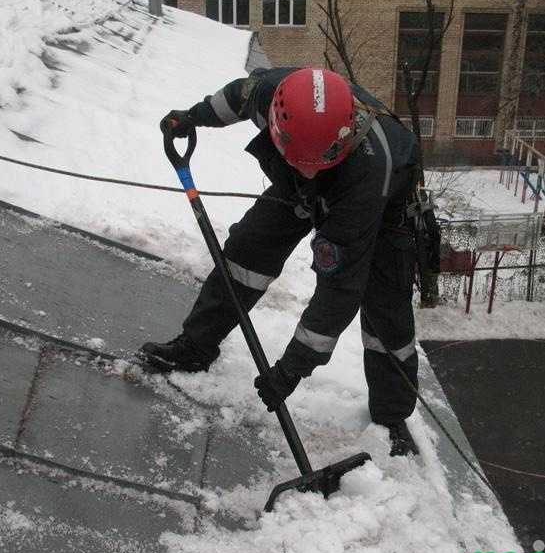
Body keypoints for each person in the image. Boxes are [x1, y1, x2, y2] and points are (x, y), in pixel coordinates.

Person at [141, 67, 421, 456]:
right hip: (301, 188)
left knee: (385, 315)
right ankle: (195, 347)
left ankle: (392, 417)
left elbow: (339, 288)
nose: (308, 167)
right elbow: (233, 98)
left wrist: (292, 368)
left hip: (384, 208)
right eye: (300, 158)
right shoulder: (270, 94)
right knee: (246, 253)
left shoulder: (368, 173)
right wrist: (192, 117)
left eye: (315, 161)